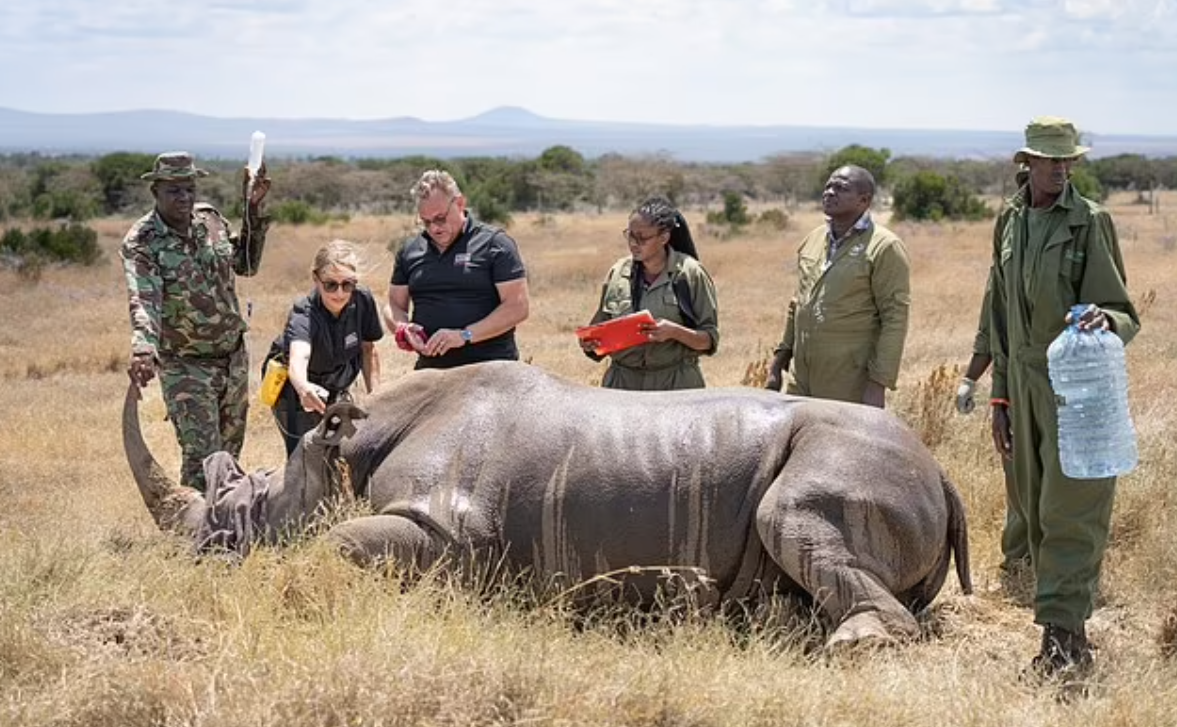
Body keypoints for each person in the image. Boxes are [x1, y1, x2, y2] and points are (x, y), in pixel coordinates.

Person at [987, 116, 1140, 681]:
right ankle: (1057, 622)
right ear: (1026, 163)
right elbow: (999, 313)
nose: (1059, 169)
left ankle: (1065, 642)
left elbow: (1124, 312)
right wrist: (998, 399)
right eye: (1049, 160)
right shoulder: (1010, 220)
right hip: (1023, 386)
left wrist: (1106, 319)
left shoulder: (1088, 223)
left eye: (1066, 160)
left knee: (1070, 510)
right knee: (1033, 508)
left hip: (1076, 389)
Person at [121, 151, 271, 492]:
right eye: (174, 190)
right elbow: (144, 299)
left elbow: (246, 265)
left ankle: (228, 527)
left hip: (232, 357)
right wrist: (143, 349)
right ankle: (195, 535)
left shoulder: (211, 221)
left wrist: (253, 210)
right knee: (202, 458)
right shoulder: (142, 242)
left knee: (229, 457)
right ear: (155, 191)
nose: (184, 197)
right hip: (185, 366)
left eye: (188, 188)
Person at [766, 165, 911, 408]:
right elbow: (798, 303)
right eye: (828, 186)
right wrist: (778, 363)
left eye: (841, 188)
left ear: (864, 200)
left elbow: (895, 317)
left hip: (848, 382)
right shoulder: (812, 240)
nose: (830, 192)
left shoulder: (884, 247)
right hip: (801, 379)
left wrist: (877, 385)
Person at [384, 170, 529, 369]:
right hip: (430, 369)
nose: (434, 228)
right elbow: (394, 304)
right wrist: (402, 328)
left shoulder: (495, 244)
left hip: (491, 368)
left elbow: (517, 307)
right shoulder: (410, 250)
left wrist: (465, 335)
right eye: (426, 222)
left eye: (440, 218)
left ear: (460, 203)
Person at [579, 196, 719, 390]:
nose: (634, 244)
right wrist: (591, 342)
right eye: (630, 235)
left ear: (664, 237)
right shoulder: (618, 272)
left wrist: (674, 332)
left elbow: (709, 340)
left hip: (675, 386)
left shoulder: (689, 273)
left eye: (642, 238)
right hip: (623, 385)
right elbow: (600, 328)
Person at [266, 240, 383, 457]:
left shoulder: (363, 300)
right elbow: (299, 357)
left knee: (341, 452)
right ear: (316, 279)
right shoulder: (304, 312)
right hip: (296, 392)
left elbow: (368, 349)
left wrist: (375, 398)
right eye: (330, 284)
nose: (339, 293)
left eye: (347, 284)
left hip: (334, 383)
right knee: (306, 457)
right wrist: (303, 388)